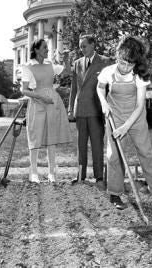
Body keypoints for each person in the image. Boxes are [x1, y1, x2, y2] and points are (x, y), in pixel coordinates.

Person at [96, 35, 152, 215]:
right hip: (115, 115)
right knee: (114, 155)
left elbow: (139, 106)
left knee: (145, 152)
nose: (125, 67)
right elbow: (100, 88)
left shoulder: (140, 75)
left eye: (130, 64)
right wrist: (104, 103)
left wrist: (126, 127)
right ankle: (115, 194)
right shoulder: (108, 71)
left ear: (135, 63)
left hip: (135, 117)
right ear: (117, 56)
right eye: (122, 62)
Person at [21, 39, 72, 183]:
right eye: (44, 48)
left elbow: (67, 72)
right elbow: (24, 90)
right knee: (35, 137)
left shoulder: (50, 65)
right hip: (37, 103)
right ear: (36, 50)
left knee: (51, 138)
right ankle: (34, 172)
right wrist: (40, 97)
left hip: (52, 104)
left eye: (47, 48)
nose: (47, 50)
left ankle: (51, 172)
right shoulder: (28, 66)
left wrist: (66, 59)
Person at [68, 34, 112, 190]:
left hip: (96, 110)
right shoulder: (77, 63)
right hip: (80, 110)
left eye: (84, 46)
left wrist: (108, 108)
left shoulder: (105, 62)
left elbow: (109, 88)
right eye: (80, 46)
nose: (82, 49)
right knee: (81, 145)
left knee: (97, 144)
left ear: (93, 45)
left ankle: (99, 177)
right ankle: (81, 175)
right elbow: (74, 88)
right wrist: (70, 109)